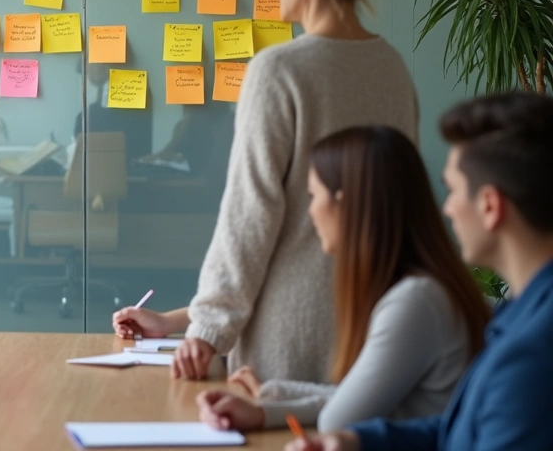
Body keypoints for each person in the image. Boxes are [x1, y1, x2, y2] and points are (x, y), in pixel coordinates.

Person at [113, 0, 419, 383]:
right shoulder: (392, 69)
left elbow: (250, 211)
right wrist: (179, 320)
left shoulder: (279, 69)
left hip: (294, 329)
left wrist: (208, 329)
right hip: (376, 321)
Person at [291, 93, 553, 451]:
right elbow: (458, 431)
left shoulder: (530, 354)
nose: (446, 208)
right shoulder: (522, 313)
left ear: (490, 206)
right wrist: (358, 441)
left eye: (453, 190)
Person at [193, 126, 489, 433]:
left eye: (314, 195)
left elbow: (338, 419)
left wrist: (269, 405)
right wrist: (265, 410)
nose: (311, 211)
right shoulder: (422, 290)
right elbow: (355, 398)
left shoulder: (415, 302)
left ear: (345, 203)